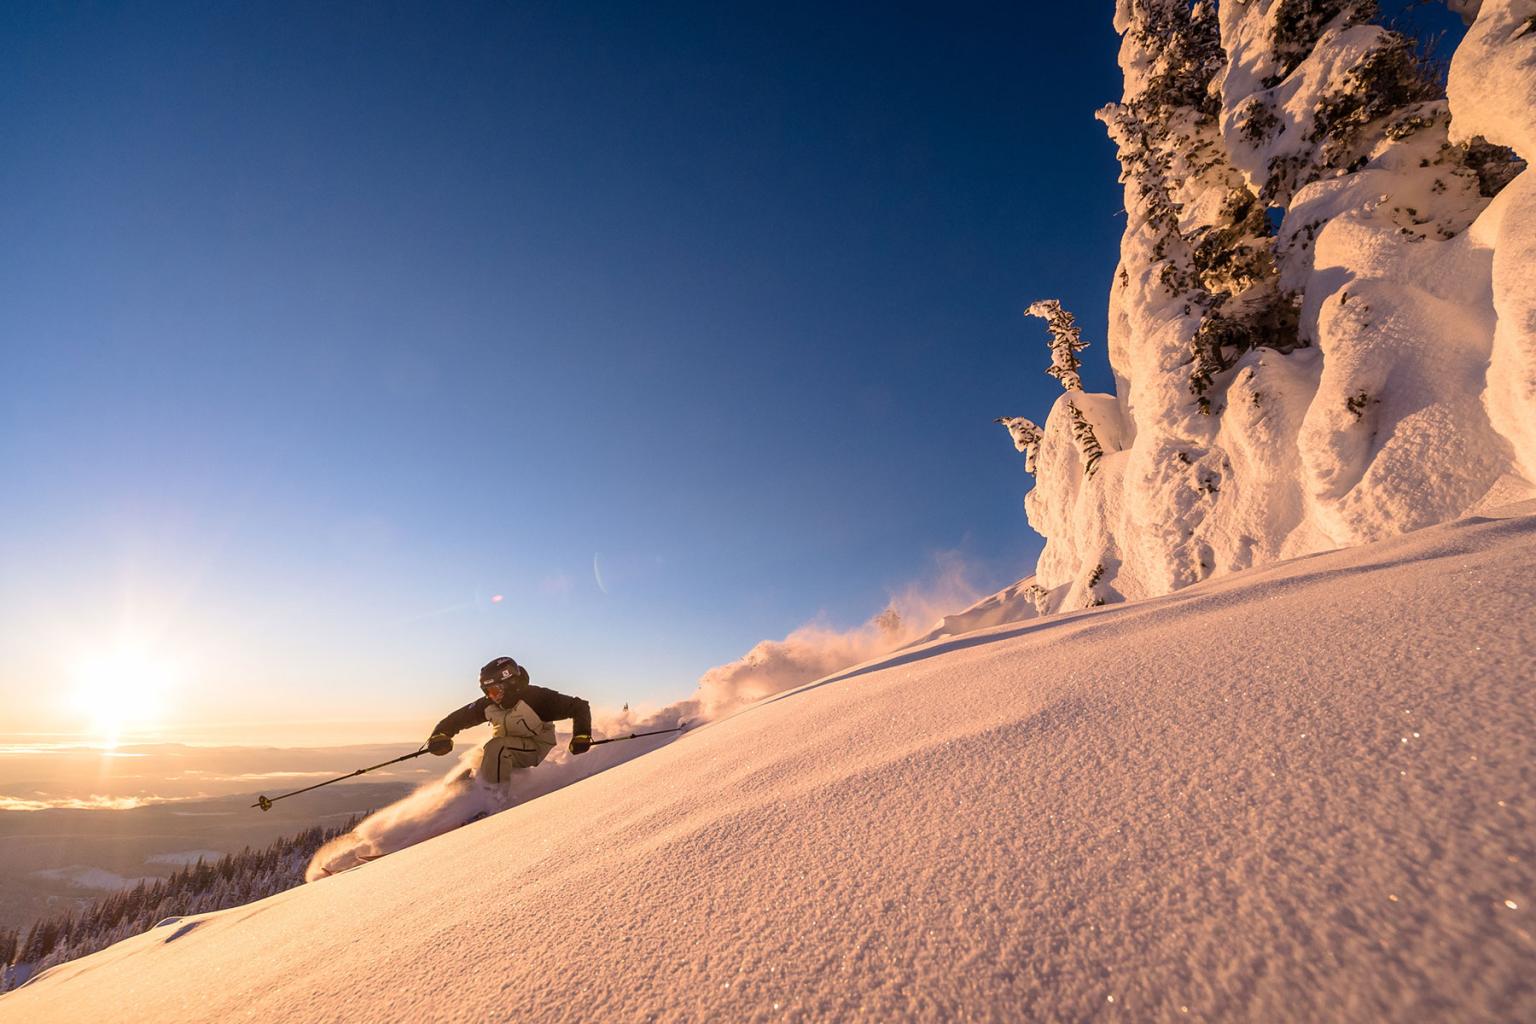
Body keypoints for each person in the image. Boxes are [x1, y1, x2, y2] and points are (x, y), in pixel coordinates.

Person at [425, 657, 592, 788]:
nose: (490, 696)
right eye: (486, 691)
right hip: (508, 746)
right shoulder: (489, 704)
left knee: (497, 747)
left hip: (534, 747)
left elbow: (579, 707)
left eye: (494, 690)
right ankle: (465, 795)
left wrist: (582, 736)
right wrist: (440, 735)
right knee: (477, 758)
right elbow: (457, 719)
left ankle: (493, 799)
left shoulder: (537, 698)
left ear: (509, 683)